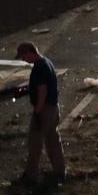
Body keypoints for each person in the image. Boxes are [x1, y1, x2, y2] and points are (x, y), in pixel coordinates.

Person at [16, 42, 66, 185]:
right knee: (53, 140)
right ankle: (59, 172)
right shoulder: (47, 62)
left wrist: (37, 111)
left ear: (29, 52)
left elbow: (42, 90)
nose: (24, 60)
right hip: (53, 107)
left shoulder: (40, 67)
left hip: (44, 110)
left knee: (34, 142)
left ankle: (31, 176)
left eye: (23, 57)